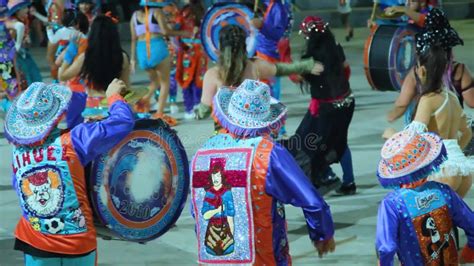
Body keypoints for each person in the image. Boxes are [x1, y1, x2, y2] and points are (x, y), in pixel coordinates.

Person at [191, 79, 335, 265]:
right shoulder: (268, 153)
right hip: (261, 255)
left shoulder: (204, 151)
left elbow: (196, 209)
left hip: (215, 254)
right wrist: (322, 234)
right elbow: (310, 200)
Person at [4, 79, 134, 266]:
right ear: (57, 114)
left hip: (35, 241)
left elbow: (20, 189)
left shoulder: (17, 152)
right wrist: (114, 96)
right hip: (78, 243)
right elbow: (122, 122)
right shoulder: (75, 139)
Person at [195, 25, 324, 130]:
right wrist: (308, 65)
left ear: (220, 47)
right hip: (253, 134)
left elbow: (204, 109)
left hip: (225, 137)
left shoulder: (213, 74)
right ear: (245, 45)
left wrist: (198, 114)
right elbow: (283, 69)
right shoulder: (255, 65)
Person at [375, 129, 474, 265]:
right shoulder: (443, 191)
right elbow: (471, 223)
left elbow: (386, 247)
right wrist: (469, 251)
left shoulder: (392, 204)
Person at [283, 16, 356, 195]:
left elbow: (296, 77)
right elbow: (346, 69)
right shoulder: (336, 45)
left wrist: (285, 57)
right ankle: (349, 181)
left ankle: (324, 177)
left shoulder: (312, 56)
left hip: (327, 108)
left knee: (308, 142)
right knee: (340, 142)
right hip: (347, 102)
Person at [386, 8, 471, 126]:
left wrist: (391, 116)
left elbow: (402, 104)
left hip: (425, 136)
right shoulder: (460, 70)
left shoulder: (417, 72)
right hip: (452, 130)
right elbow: (471, 102)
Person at [130, 0, 191, 126]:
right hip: (156, 47)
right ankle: (159, 114)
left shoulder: (135, 16)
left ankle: (142, 101)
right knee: (165, 83)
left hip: (141, 51)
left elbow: (133, 39)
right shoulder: (156, 12)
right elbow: (166, 32)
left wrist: (133, 59)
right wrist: (183, 33)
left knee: (154, 82)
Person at [58, 14, 130, 119]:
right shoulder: (122, 57)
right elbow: (125, 87)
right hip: (113, 107)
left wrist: (70, 52)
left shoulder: (86, 57)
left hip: (91, 110)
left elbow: (62, 76)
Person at [174, 0, 206, 120]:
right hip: (201, 52)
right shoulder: (203, 12)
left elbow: (176, 30)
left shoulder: (183, 13)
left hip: (188, 51)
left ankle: (189, 108)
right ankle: (198, 105)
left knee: (187, 80)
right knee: (199, 79)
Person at [6, 0, 43, 86]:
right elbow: (19, 27)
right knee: (24, 77)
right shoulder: (13, 23)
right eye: (25, 8)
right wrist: (18, 45)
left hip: (23, 53)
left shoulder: (24, 19)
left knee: (33, 73)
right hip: (14, 56)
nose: (27, 9)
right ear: (18, 10)